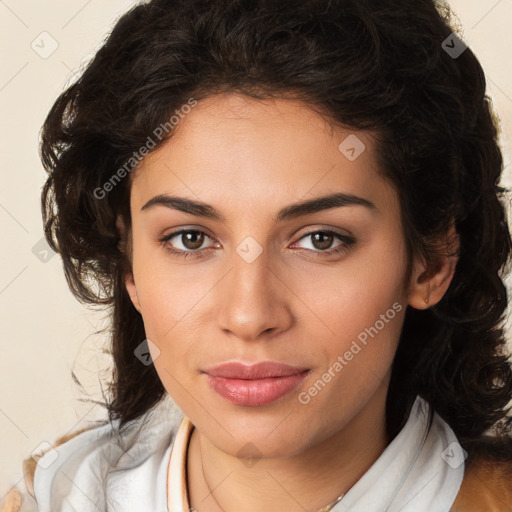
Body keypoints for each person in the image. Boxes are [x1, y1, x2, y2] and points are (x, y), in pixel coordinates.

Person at [23, 0, 512, 510]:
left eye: (321, 239)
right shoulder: (56, 496)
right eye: (190, 238)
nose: (249, 315)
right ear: (128, 264)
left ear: (431, 260)